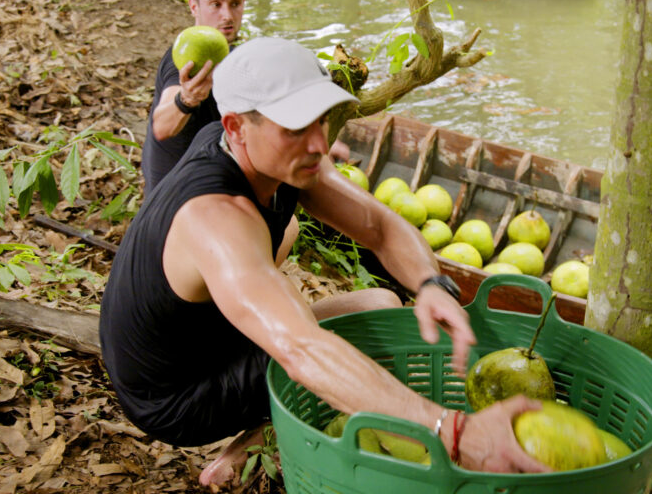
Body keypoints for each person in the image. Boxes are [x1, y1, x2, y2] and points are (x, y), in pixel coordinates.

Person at [99, 37, 547, 487]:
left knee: (380, 305)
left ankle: (266, 420)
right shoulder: (215, 216)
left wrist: (431, 284)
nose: (319, 144)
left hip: (210, 340)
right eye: (295, 127)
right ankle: (254, 441)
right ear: (236, 127)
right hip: (178, 398)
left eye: (320, 120)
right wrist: (455, 431)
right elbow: (302, 350)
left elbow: (380, 226)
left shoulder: (261, 150)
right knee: (328, 358)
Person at [141, 0, 348, 194]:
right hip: (177, 194)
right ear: (194, 7)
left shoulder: (234, 58)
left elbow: (272, 104)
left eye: (235, 4)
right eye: (215, 4)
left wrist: (316, 135)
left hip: (214, 170)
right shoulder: (183, 58)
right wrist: (186, 99)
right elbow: (161, 127)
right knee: (289, 222)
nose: (227, 15)